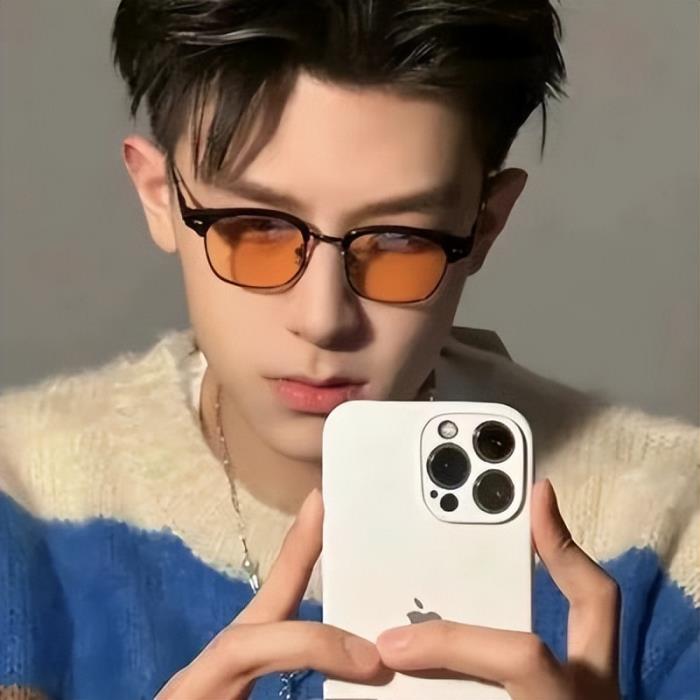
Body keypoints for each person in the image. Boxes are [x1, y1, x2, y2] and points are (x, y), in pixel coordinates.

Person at [0, 1, 698, 699]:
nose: (323, 319)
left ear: (484, 226)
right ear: (160, 197)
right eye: (256, 228)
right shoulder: (20, 501)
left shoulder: (671, 525)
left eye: (399, 239)